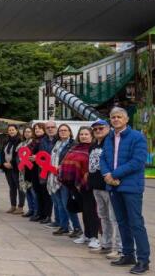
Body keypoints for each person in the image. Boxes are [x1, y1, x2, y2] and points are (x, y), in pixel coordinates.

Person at [100, 107, 150, 274]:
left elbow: (138, 161)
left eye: (119, 117)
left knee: (136, 223)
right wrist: (107, 174)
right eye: (113, 117)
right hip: (113, 185)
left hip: (131, 186)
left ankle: (144, 260)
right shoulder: (109, 138)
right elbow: (103, 158)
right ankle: (128, 254)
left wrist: (114, 174)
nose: (115, 119)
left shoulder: (137, 137)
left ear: (126, 119)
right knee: (121, 222)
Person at [59, 127, 100, 248]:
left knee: (91, 211)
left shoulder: (93, 149)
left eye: (86, 134)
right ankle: (86, 235)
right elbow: (66, 164)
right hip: (75, 186)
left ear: (91, 136)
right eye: (81, 134)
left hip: (88, 185)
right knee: (84, 211)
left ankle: (94, 237)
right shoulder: (74, 148)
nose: (83, 136)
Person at [89, 119, 122, 259]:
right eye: (95, 129)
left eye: (101, 128)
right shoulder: (93, 145)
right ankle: (106, 243)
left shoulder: (111, 143)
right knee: (103, 217)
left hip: (108, 186)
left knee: (115, 218)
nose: (98, 131)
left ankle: (119, 248)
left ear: (108, 128)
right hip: (96, 186)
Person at [48, 124, 82, 237]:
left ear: (69, 132)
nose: (62, 132)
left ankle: (77, 227)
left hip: (65, 178)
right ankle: (64, 226)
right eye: (61, 130)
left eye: (65, 130)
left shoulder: (73, 144)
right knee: (59, 204)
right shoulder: (56, 143)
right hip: (54, 177)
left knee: (66, 203)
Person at [33, 121, 57, 224]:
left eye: (52, 127)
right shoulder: (43, 140)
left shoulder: (58, 140)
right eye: (48, 128)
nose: (50, 129)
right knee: (41, 193)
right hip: (42, 170)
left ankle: (48, 215)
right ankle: (42, 214)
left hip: (52, 170)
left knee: (49, 195)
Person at [2, 125, 24, 214]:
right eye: (9, 130)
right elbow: (2, 153)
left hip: (16, 168)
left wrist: (12, 163)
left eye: (13, 130)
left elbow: (19, 155)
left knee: (20, 188)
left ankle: (20, 207)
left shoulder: (20, 141)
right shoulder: (6, 141)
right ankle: (13, 206)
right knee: (12, 188)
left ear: (16, 130)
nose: (11, 131)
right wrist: (4, 163)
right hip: (7, 168)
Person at [17, 126, 37, 218]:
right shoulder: (22, 143)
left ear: (32, 133)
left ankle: (36, 211)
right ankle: (31, 209)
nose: (27, 133)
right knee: (27, 191)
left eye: (29, 132)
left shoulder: (34, 143)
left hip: (31, 170)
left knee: (33, 191)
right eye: (25, 132)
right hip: (23, 171)